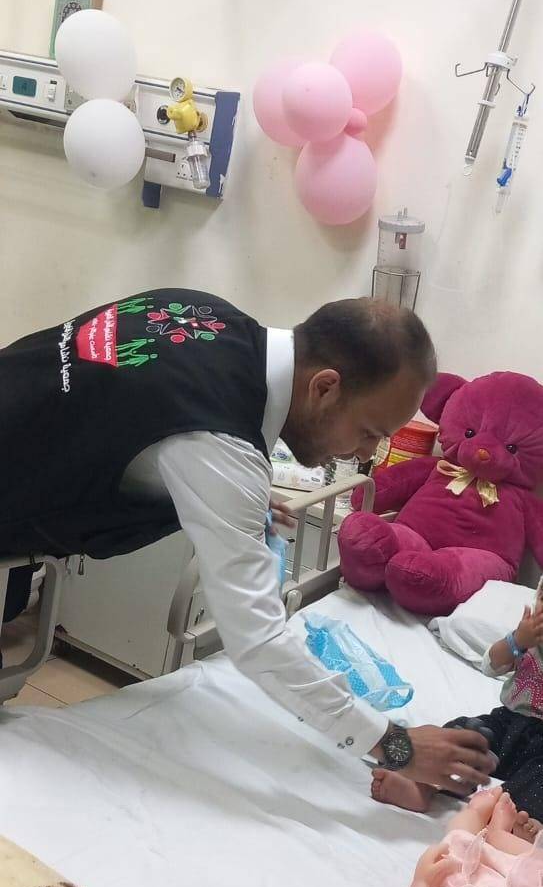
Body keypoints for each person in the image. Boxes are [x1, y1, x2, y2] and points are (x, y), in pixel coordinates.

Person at [0, 288, 494, 790]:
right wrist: (396, 745)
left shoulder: (208, 314)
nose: (367, 454)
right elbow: (257, 640)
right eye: (369, 431)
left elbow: (129, 421)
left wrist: (232, 496)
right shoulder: (219, 439)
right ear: (325, 388)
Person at [372, 579, 543, 837]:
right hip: (508, 720)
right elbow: (491, 665)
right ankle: (421, 783)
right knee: (464, 734)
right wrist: (517, 640)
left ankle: (521, 819)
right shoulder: (525, 638)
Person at [395, 787, 543, 887]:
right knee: (534, 875)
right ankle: (500, 835)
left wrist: (421, 884)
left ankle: (477, 815)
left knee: (455, 852)